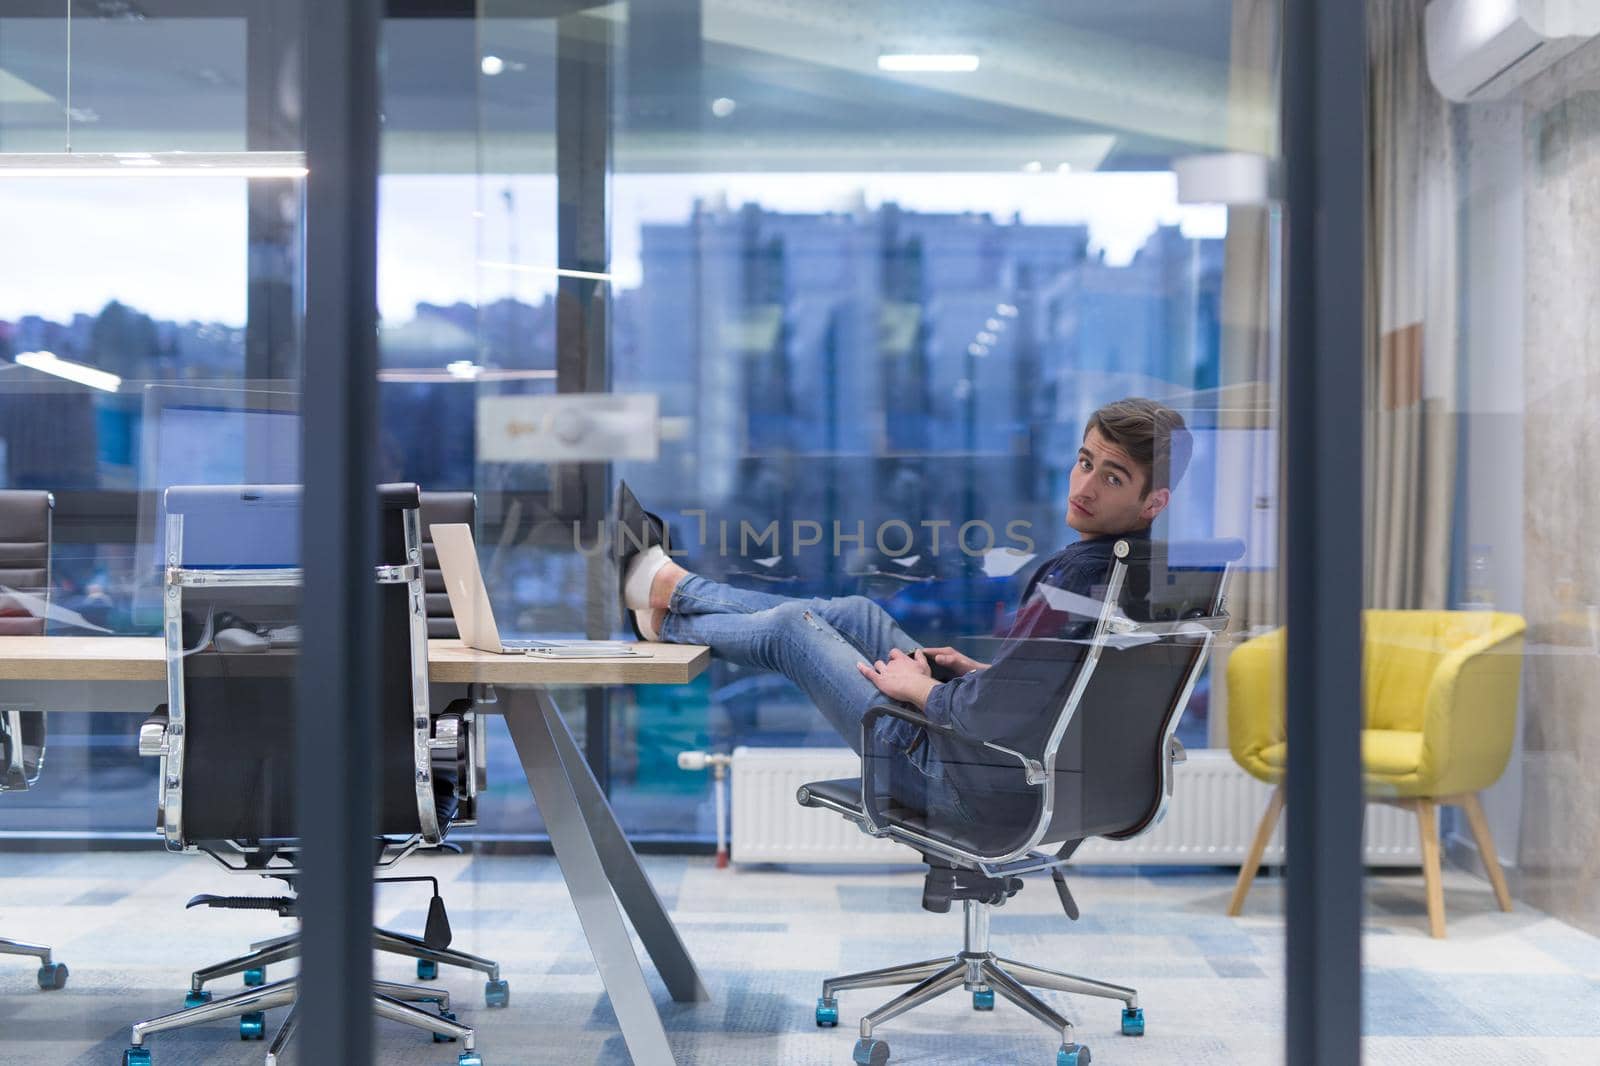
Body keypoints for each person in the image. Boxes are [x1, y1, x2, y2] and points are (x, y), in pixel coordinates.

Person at [616, 397, 1192, 827]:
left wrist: (921, 690)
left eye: (1111, 477)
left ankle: (670, 600)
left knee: (795, 630)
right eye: (1084, 462)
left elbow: (992, 718)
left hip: (969, 784)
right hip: (1020, 769)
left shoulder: (1077, 579)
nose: (1084, 485)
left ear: (1153, 502)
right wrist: (980, 673)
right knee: (857, 613)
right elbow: (1071, 694)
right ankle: (667, 603)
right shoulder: (1145, 574)